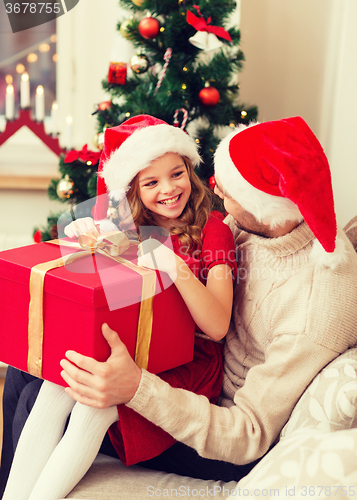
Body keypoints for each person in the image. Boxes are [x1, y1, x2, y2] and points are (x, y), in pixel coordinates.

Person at [2, 115, 357, 495]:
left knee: (77, 397)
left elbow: (245, 430)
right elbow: (129, 290)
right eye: (151, 182)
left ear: (263, 203)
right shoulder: (249, 225)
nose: (215, 188)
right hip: (166, 356)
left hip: (214, 415)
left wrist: (135, 385)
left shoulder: (308, 303)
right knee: (42, 375)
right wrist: (93, 238)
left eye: (230, 187)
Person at [0, 115, 237, 500]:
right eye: (151, 182)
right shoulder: (126, 231)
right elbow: (103, 300)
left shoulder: (214, 229)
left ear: (190, 171)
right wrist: (86, 247)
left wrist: (174, 266)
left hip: (187, 365)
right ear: (133, 189)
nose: (169, 189)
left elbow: (218, 327)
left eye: (176, 173)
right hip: (133, 353)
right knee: (59, 388)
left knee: (93, 409)